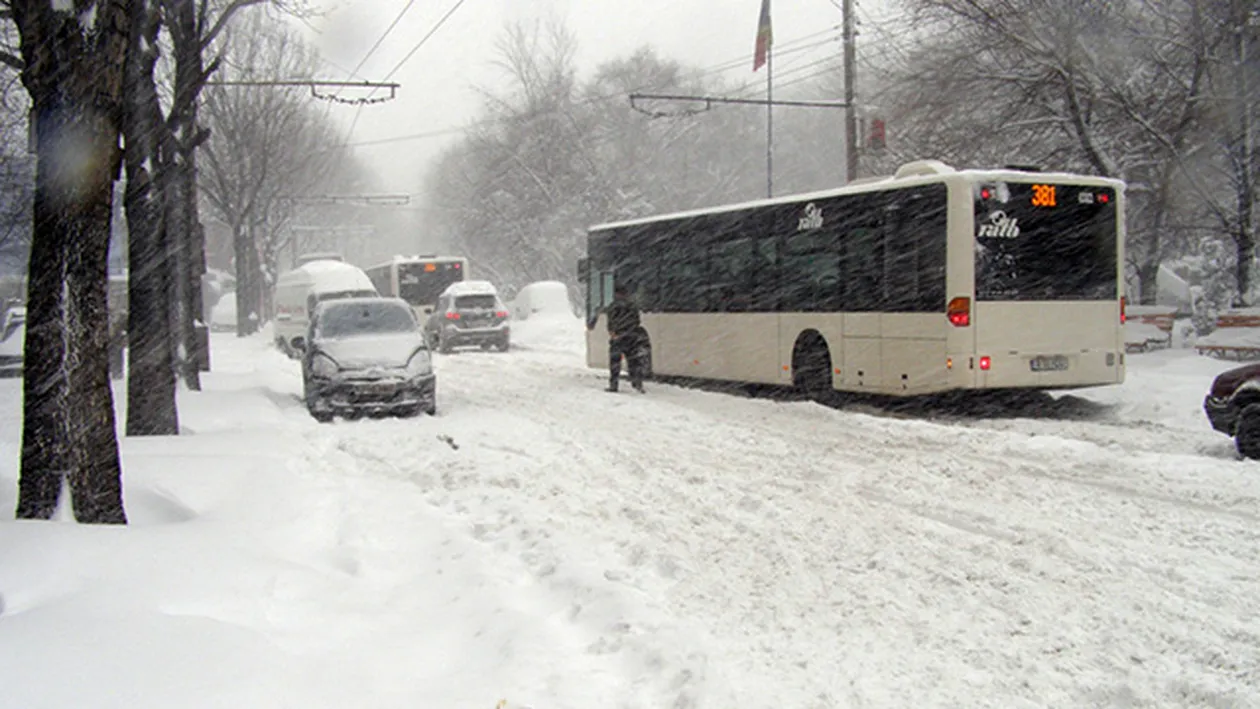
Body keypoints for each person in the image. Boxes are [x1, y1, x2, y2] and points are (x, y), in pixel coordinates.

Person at [605, 284, 644, 393]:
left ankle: (614, 385)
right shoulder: (632, 306)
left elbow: (611, 322)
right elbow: (637, 321)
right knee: (633, 362)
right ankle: (637, 384)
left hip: (618, 337)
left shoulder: (613, 306)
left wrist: (614, 333)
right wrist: (631, 331)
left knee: (615, 363)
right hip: (631, 337)